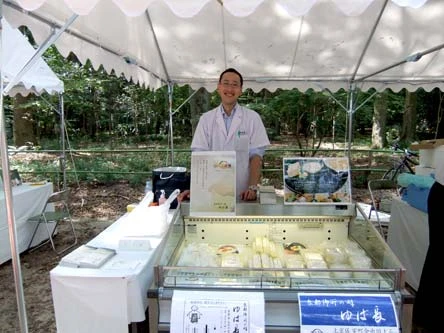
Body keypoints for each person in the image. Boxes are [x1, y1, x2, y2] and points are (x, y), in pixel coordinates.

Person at [181, 68, 270, 202]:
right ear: (218, 87)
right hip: (212, 192)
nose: (230, 88)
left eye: (235, 85)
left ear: (240, 90)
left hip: (243, 192)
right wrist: (197, 188)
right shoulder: (206, 119)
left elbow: (256, 156)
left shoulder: (252, 118)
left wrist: (252, 187)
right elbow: (199, 157)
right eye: (226, 83)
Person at [412, 157, 444, 333]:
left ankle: (424, 318)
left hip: (439, 189)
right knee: (438, 257)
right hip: (441, 189)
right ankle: (426, 319)